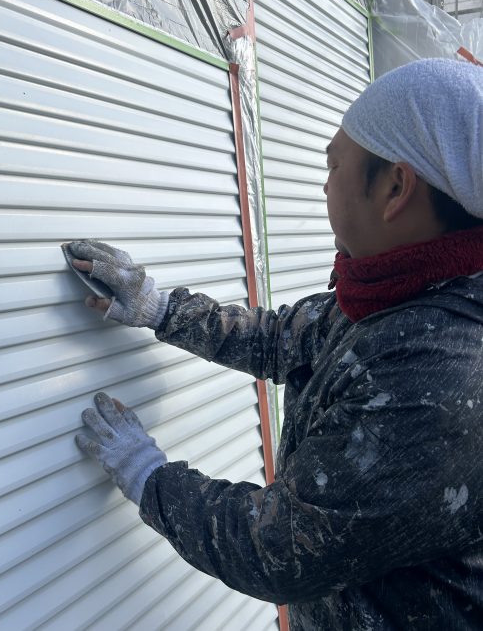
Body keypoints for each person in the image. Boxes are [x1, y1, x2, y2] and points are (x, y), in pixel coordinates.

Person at [65, 58, 483, 630]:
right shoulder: (399, 296)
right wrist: (160, 308)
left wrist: (148, 476)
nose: (324, 181)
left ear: (394, 188)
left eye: (335, 164)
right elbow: (285, 338)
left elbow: (280, 549)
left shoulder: (441, 370)